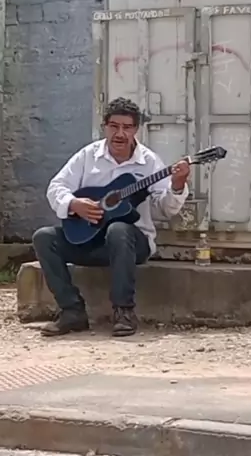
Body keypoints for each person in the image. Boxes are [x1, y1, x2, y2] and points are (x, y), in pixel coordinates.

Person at [33, 97, 191, 338]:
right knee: (44, 237)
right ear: (105, 126)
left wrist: (177, 185)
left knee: (118, 228)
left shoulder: (149, 163)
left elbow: (164, 209)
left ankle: (124, 312)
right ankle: (72, 311)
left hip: (130, 244)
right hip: (90, 241)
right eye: (114, 126)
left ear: (136, 130)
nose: (120, 134)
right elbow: (57, 187)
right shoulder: (88, 156)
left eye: (127, 127)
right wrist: (74, 204)